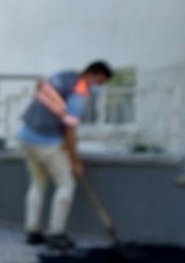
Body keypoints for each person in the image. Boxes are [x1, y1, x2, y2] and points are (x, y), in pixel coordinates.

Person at [18, 60, 114, 250]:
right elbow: (70, 131)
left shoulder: (62, 76)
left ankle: (32, 231)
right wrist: (76, 162)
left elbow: (41, 89)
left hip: (25, 137)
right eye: (100, 82)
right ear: (92, 74)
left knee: (38, 184)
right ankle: (56, 234)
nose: (98, 87)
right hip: (47, 142)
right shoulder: (79, 93)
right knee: (66, 184)